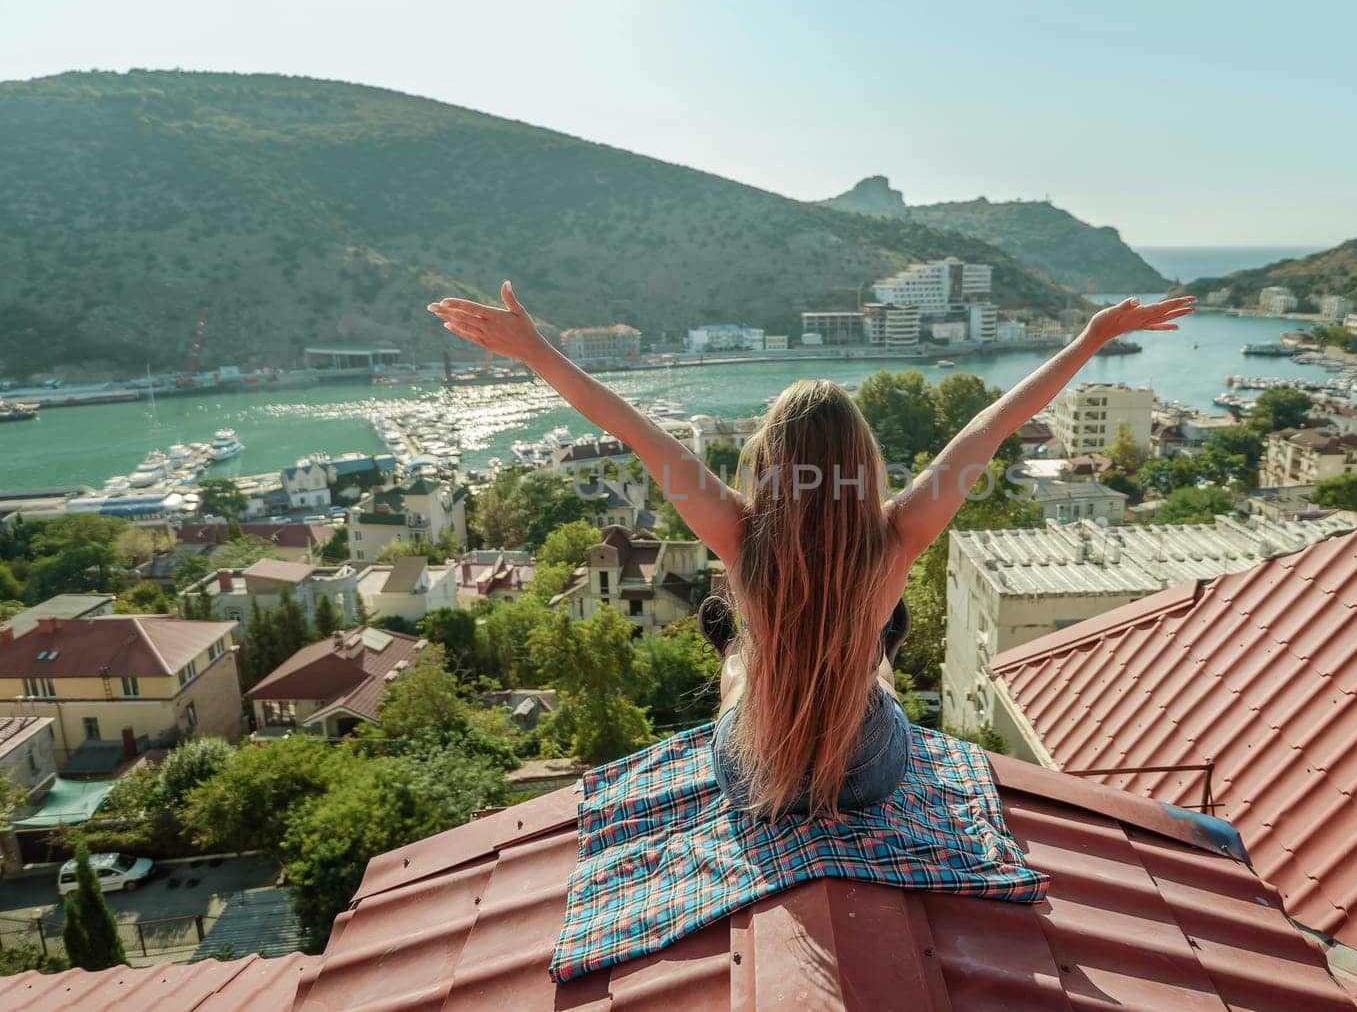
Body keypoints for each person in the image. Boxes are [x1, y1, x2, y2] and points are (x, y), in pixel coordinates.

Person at [430, 285, 1192, 818]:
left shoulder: (736, 531)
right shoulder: (895, 536)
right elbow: (994, 424)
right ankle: (864, 645)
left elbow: (629, 425)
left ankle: (744, 642)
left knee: (739, 658)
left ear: (768, 459)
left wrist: (535, 350)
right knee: (877, 654)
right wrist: (1090, 339)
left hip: (751, 772)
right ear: (861, 461)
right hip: (868, 772)